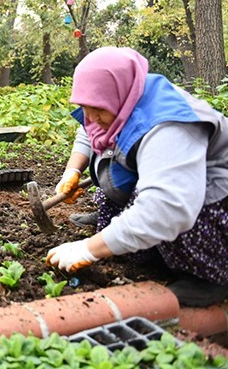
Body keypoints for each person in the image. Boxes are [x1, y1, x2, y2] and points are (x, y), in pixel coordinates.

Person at [46, 46, 228, 307]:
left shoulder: (168, 126)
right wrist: (72, 171)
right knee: (121, 192)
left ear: (117, 95)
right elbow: (89, 129)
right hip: (169, 183)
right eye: (84, 106)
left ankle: (209, 277)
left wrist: (89, 248)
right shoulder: (123, 97)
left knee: (169, 213)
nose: (90, 117)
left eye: (96, 108)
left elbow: (168, 207)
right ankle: (147, 247)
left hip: (213, 195)